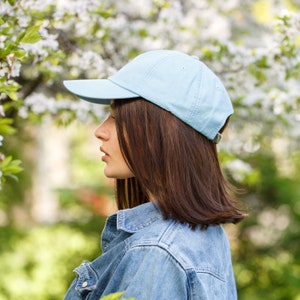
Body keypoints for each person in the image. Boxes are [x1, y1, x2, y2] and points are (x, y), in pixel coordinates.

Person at [63, 50, 247, 300]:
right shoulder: (204, 233)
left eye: (117, 118)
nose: (100, 131)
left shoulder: (157, 252)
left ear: (160, 133)